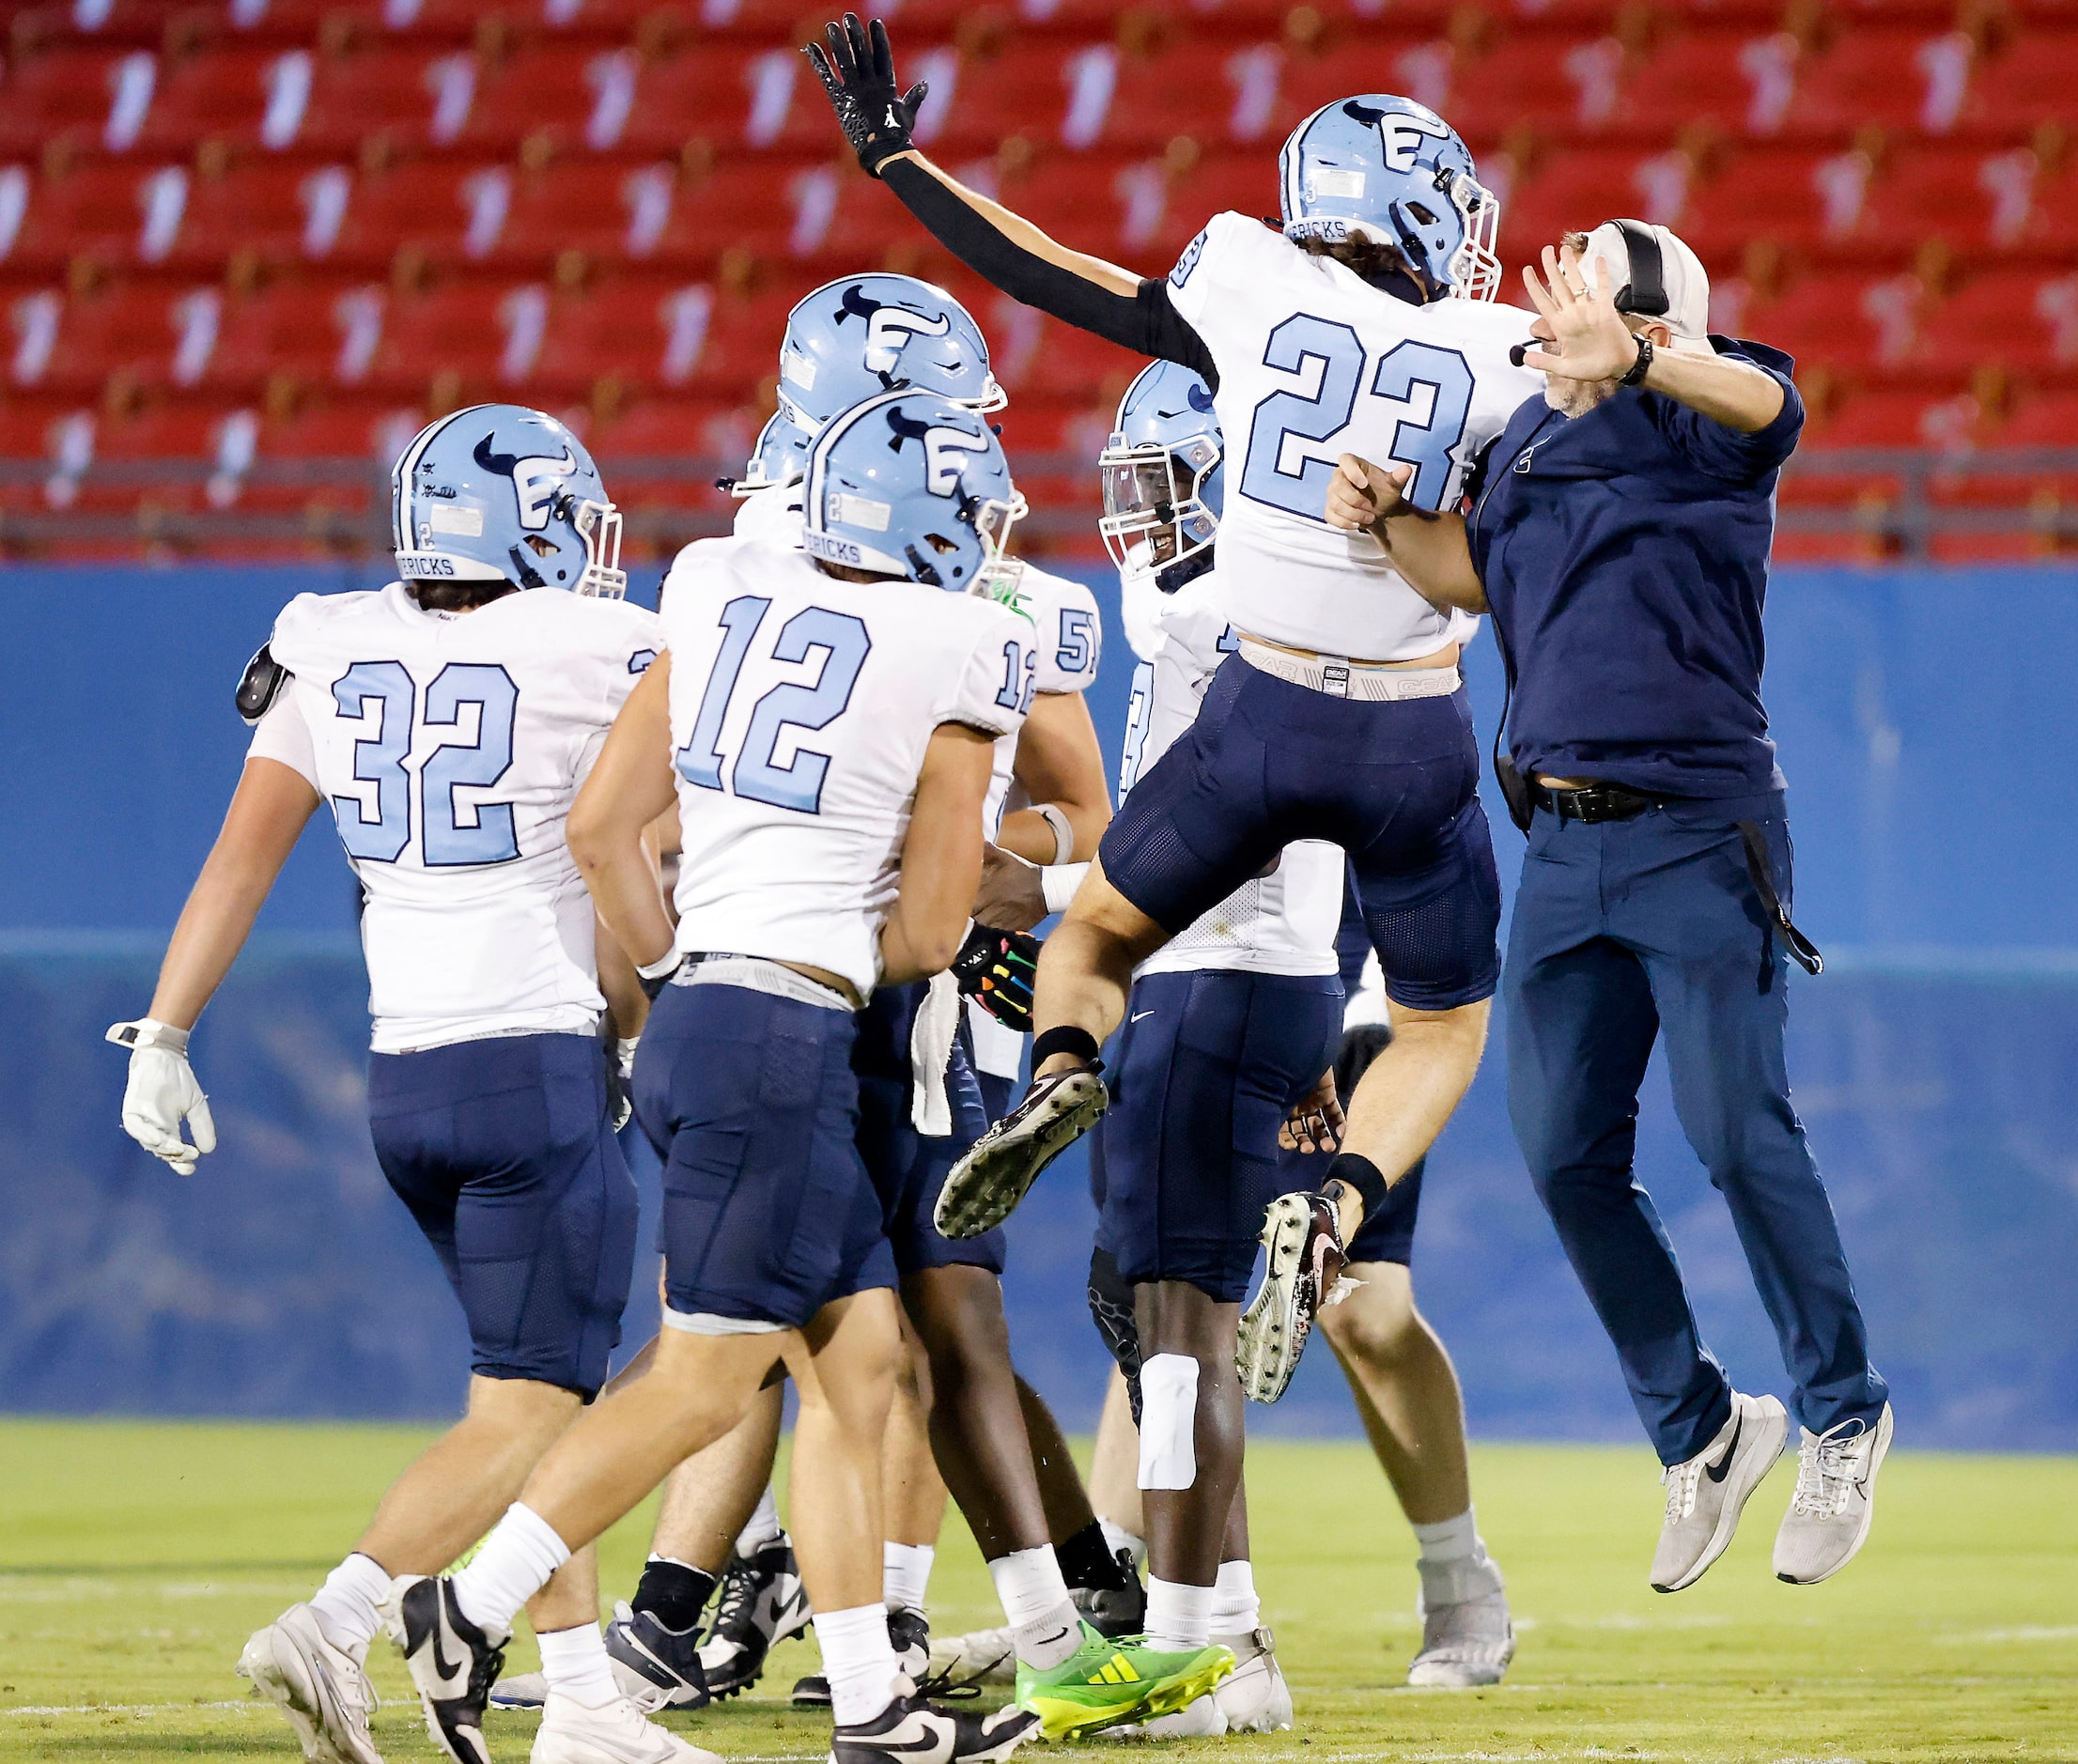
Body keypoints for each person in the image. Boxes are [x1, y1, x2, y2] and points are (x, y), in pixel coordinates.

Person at [389, 389, 1223, 1764]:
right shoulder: (968, 639)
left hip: (707, 1008)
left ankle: (872, 1705)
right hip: (794, 1031)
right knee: (706, 1382)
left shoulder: (713, 583)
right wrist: (875, 933)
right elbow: (939, 930)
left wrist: (681, 973)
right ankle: (468, 1608)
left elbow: (603, 827)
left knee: (865, 1358)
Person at [806, 16, 1541, 1401]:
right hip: (1411, 732)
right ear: (1418, 206)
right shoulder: (1500, 353)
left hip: (1256, 715)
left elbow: (1064, 280)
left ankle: (1060, 1071)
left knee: (1094, 936)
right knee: (1442, 1025)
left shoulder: (1250, 279)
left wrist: (902, 165)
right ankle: (1336, 1202)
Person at [106, 405, 697, 1764]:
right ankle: (338, 1617)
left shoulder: (330, 635)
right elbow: (627, 862)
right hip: (530, 1064)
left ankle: (587, 1705)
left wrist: (166, 1032)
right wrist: (638, 1023)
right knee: (542, 1410)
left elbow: (238, 859)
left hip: (404, 1078)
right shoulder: (597, 645)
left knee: (525, 1392)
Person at [1325, 222, 1892, 1592]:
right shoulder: (1520, 443)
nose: (1555, 313)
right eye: (1558, 295)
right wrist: (1387, 518)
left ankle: (1844, 1409)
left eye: (1590, 300)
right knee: (1562, 1153)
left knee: (1734, 1131)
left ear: (1653, 319)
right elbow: (1476, 576)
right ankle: (1701, 1433)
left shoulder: (1702, 422)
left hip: (1699, 832)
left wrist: (1641, 354)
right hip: (1564, 848)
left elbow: (1774, 403)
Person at [1091, 362, 1512, 1703]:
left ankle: (1456, 1575)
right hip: (1244, 972)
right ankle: (1161, 1603)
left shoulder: (1330, 596)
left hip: (1350, 981)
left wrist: (1333, 1032)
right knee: (1159, 1290)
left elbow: (1360, 823)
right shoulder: (1187, 608)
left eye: (1166, 488)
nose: (1142, 522)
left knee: (1361, 1308)